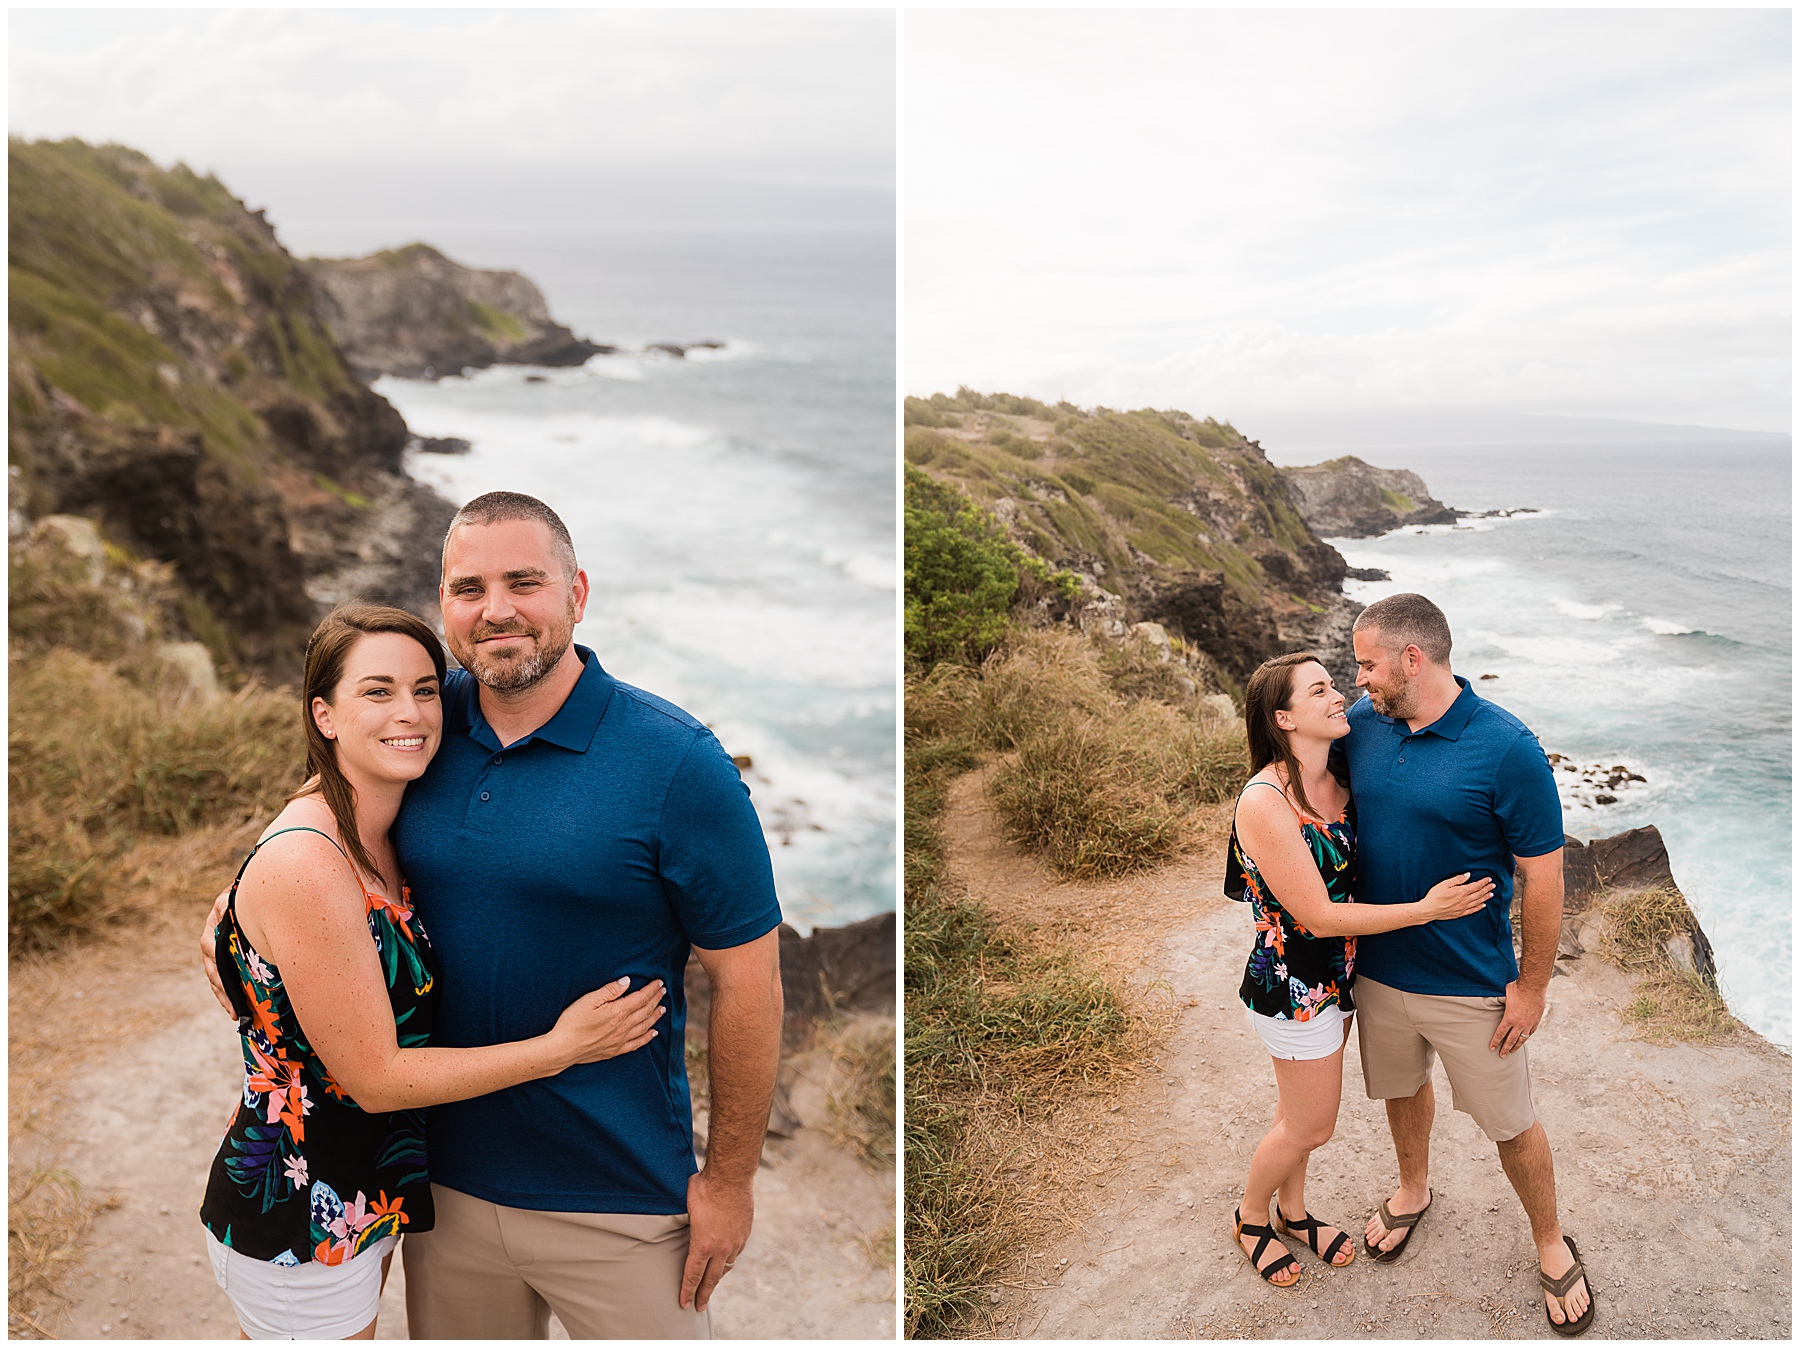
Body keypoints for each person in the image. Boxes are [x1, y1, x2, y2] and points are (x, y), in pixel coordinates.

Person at [205, 493, 784, 1339]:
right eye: (469, 587)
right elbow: (319, 822)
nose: (496, 609)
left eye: (524, 582)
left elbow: (751, 979)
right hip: (443, 1194)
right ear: (445, 604)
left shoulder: (677, 763)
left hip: (617, 1197)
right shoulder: (425, 725)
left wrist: (730, 1182)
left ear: (577, 593)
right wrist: (233, 914)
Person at [200, 603, 667, 1340]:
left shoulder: (379, 830)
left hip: (365, 1195)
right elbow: (376, 1077)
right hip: (296, 1211)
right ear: (324, 714)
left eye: (424, 689)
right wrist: (563, 1047)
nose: (410, 712)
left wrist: (230, 913)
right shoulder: (310, 860)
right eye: (376, 692)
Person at [1346, 592, 1593, 1336]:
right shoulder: (1361, 726)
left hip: (1472, 983)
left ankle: (1550, 1242)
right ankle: (1414, 1189)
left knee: (1511, 1124)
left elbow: (1544, 876)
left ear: (1411, 659)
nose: (1358, 679)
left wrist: (1534, 986)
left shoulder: (1506, 748)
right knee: (1401, 1089)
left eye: (1367, 664)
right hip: (1380, 970)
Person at [1229, 651, 1493, 1288]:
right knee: (1313, 1123)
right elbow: (1318, 916)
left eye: (1334, 685)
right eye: (1318, 691)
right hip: (1293, 986)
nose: (1338, 697)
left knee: (1295, 1116)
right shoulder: (1265, 801)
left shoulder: (1338, 781)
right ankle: (1249, 1218)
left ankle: (1292, 1212)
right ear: (1285, 718)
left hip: (1341, 977)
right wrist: (1427, 910)